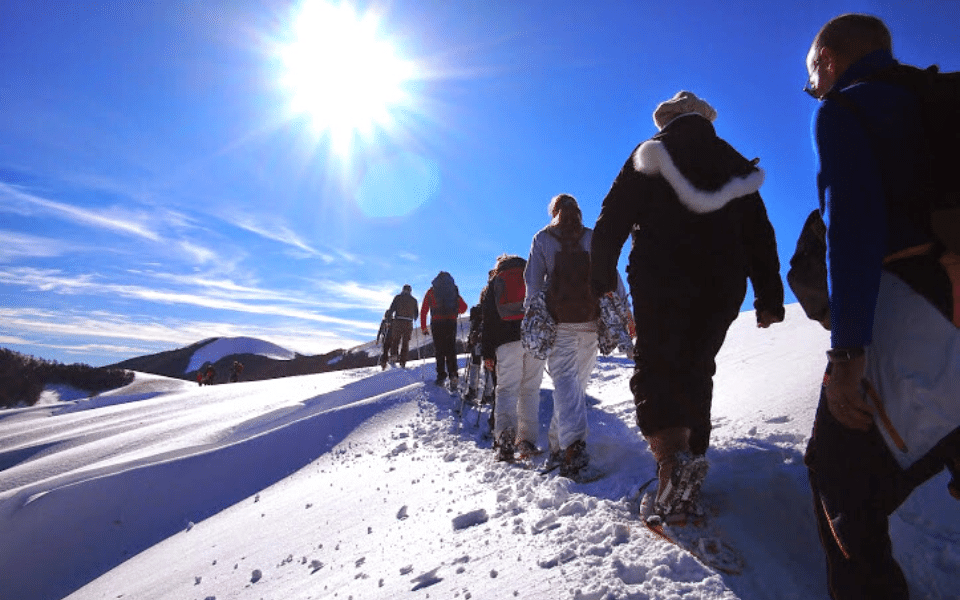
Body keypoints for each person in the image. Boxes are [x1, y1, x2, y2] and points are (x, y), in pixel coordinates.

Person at [801, 14, 960, 599]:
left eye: (812, 76)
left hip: (918, 306)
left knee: (837, 474)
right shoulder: (940, 98)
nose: (813, 89)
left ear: (829, 61)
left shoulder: (847, 108)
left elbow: (854, 229)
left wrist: (847, 352)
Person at [590, 91, 784, 520]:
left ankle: (672, 466)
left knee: (659, 364)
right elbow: (760, 233)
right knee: (697, 366)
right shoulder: (734, 162)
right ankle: (690, 462)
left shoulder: (653, 153)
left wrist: (602, 277)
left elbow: (612, 216)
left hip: (662, 276)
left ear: (671, 118)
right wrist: (769, 296)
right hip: (723, 282)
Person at [524, 194, 608, 477]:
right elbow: (609, 276)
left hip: (560, 325)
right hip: (590, 323)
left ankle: (572, 451)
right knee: (573, 390)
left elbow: (534, 285)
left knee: (567, 389)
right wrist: (624, 313)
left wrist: (533, 322)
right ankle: (558, 447)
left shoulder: (542, 239)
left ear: (554, 212)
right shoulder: (591, 237)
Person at [482, 254, 546, 462]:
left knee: (507, 390)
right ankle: (526, 441)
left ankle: (505, 441)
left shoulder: (495, 282)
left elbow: (489, 320)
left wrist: (488, 353)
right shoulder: (531, 275)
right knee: (530, 390)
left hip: (506, 342)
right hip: (534, 338)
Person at [420, 271, 468, 389]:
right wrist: (455, 310)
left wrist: (423, 327)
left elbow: (424, 310)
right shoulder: (453, 290)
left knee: (439, 350)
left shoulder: (431, 291)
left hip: (437, 322)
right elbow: (464, 307)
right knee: (451, 349)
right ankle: (453, 376)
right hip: (451, 322)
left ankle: (441, 376)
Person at [383, 285, 418, 369]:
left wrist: (388, 319)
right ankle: (403, 361)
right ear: (410, 291)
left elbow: (391, 309)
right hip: (408, 323)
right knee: (405, 342)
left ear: (403, 290)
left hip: (398, 321)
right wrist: (413, 318)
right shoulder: (414, 300)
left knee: (395, 340)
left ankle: (394, 356)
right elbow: (416, 314)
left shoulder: (397, 297)